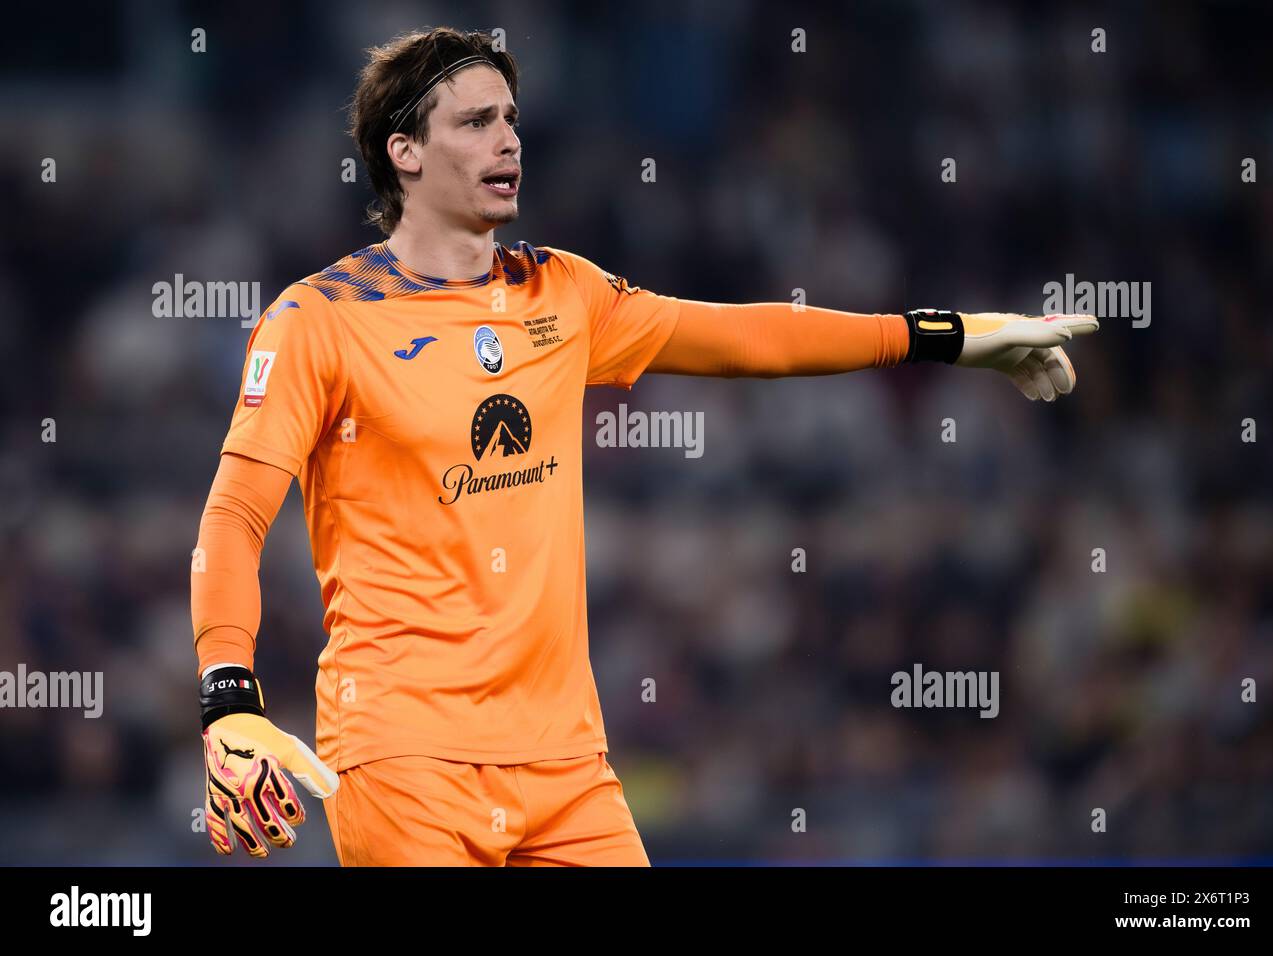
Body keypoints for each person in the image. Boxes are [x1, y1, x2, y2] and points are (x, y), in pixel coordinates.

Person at [192, 26, 1097, 867]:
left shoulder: (563, 293)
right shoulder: (319, 320)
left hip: (567, 765)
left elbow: (749, 338)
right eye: (476, 122)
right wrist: (229, 699)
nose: (509, 141)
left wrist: (947, 336)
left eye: (511, 119)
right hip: (405, 759)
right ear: (405, 151)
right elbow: (234, 514)